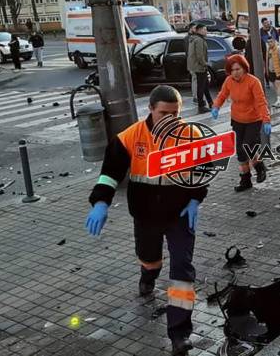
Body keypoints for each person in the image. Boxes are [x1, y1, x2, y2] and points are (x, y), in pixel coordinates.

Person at [85, 85, 206, 356]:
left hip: (179, 216)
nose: (170, 119)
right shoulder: (131, 137)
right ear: (150, 109)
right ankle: (148, 275)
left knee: (182, 271)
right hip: (145, 216)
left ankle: (180, 333)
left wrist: (195, 199)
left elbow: (201, 170)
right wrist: (101, 202)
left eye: (175, 114)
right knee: (150, 258)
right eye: (164, 113)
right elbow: (110, 173)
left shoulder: (191, 135)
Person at [212, 54, 271, 192]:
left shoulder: (253, 82)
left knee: (248, 147)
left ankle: (260, 167)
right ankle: (246, 180)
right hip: (237, 120)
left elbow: (261, 102)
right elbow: (222, 95)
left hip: (253, 120)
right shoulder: (229, 81)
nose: (235, 73)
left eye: (238, 69)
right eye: (232, 70)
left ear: (244, 68)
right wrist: (216, 107)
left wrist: (266, 120)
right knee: (240, 151)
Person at [187, 24, 212, 113]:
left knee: (205, 86)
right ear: (199, 30)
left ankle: (211, 103)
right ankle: (201, 106)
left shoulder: (194, 39)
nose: (206, 31)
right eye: (204, 29)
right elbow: (199, 55)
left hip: (195, 66)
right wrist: (205, 64)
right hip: (199, 67)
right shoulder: (199, 40)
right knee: (201, 87)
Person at [183, 23, 199, 106]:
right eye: (194, 28)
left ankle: (197, 96)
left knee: (197, 79)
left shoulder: (194, 37)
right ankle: (195, 97)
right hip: (192, 62)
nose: (196, 29)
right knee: (195, 79)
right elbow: (189, 52)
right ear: (190, 29)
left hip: (194, 61)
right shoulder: (188, 38)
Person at [266, 39, 280, 108]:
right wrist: (267, 70)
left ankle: (279, 101)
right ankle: (278, 100)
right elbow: (267, 60)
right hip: (271, 71)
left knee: (278, 85)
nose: (269, 43)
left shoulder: (279, 49)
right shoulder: (268, 49)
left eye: (271, 41)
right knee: (275, 86)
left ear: (274, 41)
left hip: (277, 71)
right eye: (268, 42)